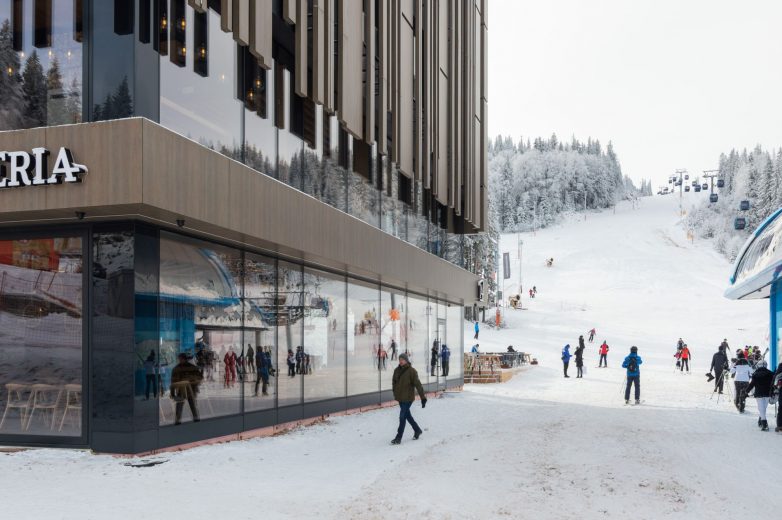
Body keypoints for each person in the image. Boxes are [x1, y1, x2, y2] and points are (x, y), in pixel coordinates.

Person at [390, 353, 426, 445]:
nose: (401, 361)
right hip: (400, 397)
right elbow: (394, 382)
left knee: (402, 416)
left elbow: (418, 385)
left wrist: (423, 397)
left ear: (406, 360)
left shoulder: (412, 371)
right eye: (400, 359)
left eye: (402, 359)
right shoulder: (396, 370)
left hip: (408, 398)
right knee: (407, 416)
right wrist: (395, 391)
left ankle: (398, 437)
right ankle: (417, 430)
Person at [170, 353, 203, 425]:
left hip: (191, 389)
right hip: (181, 390)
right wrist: (172, 393)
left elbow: (200, 377)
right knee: (179, 404)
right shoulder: (176, 369)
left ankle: (196, 417)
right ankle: (178, 420)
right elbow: (173, 381)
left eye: (181, 359)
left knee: (193, 404)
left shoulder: (192, 367)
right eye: (179, 359)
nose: (179, 360)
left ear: (184, 359)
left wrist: (193, 382)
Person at [745, 360, 773, 431]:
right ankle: (762, 421)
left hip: (759, 393)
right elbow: (773, 384)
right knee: (764, 408)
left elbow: (752, 384)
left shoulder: (755, 374)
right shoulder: (771, 373)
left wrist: (746, 391)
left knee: (761, 408)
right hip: (767, 393)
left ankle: (764, 423)